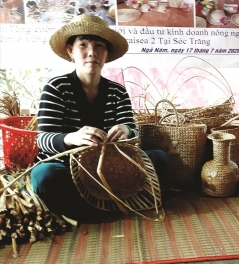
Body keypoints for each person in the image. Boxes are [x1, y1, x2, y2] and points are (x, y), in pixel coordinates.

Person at [31, 14, 167, 223]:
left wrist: (127, 131)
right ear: (71, 51)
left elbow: (134, 133)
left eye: (99, 46)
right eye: (83, 45)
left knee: (158, 157)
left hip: (109, 167)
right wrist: (71, 138)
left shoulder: (117, 92)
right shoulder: (56, 88)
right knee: (45, 175)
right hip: (66, 166)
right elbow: (43, 139)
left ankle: (96, 207)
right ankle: (106, 208)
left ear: (106, 54)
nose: (91, 52)